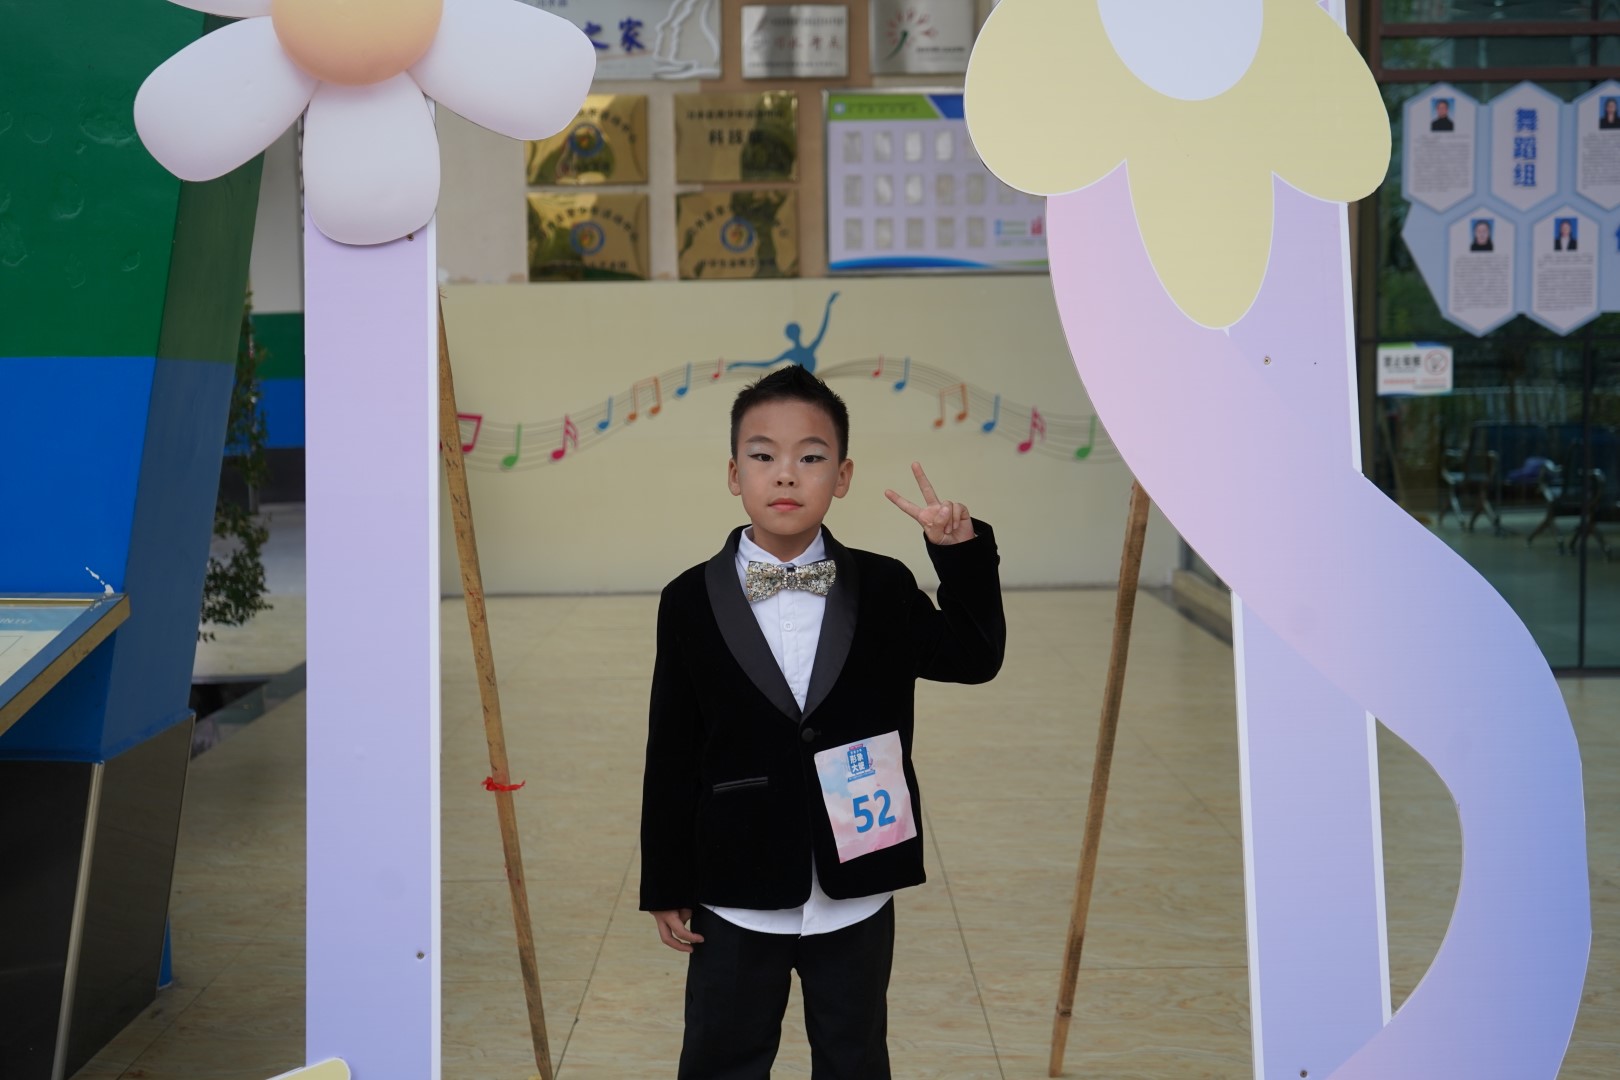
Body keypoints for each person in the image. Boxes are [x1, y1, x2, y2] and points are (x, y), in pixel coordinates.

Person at [640, 365, 1006, 1079]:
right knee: (722, 1057)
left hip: (857, 877)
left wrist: (958, 555)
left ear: (842, 476)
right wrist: (666, 880)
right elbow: (672, 745)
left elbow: (974, 657)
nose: (786, 474)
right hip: (737, 880)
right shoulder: (687, 598)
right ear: (733, 474)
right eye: (763, 455)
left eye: (810, 457)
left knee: (854, 1056)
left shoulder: (885, 585)